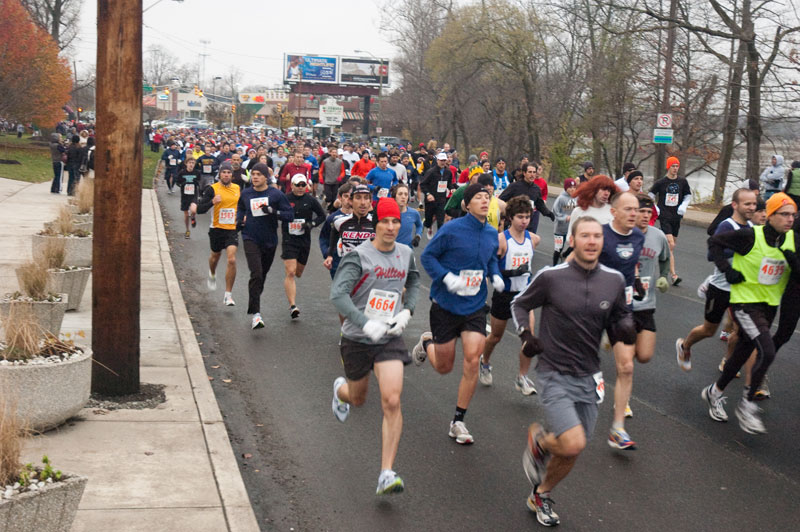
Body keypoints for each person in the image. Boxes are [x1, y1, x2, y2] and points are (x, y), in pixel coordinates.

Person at [512, 216, 635, 527]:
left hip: (589, 375)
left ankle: (541, 492)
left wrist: (623, 329)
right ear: (572, 241)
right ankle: (541, 442)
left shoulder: (614, 280)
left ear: (602, 242)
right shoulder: (552, 277)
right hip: (553, 371)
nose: (592, 241)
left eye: (597, 236)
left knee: (571, 451)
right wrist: (526, 335)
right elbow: (520, 304)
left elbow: (619, 315)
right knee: (574, 441)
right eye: (585, 236)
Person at [330, 198, 421, 495]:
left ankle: (386, 472)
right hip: (357, 337)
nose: (392, 227)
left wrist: (407, 311)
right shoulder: (359, 256)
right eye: (385, 222)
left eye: (396, 222)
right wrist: (363, 321)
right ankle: (340, 391)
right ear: (375, 224)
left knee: (392, 400)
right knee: (357, 398)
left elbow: (415, 281)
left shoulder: (406, 254)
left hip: (388, 337)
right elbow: (338, 295)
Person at [702, 192, 799, 434]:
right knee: (766, 350)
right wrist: (726, 269)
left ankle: (714, 392)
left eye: (793, 215)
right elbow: (714, 243)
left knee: (742, 351)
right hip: (745, 303)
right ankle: (747, 405)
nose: (790, 219)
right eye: (784, 214)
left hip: (769, 305)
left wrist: (793, 261)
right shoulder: (749, 236)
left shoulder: (792, 240)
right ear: (770, 215)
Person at [414, 184, 503, 444]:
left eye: (487, 197)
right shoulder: (451, 230)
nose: (485, 201)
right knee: (444, 366)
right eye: (478, 197)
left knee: (473, 358)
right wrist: (447, 278)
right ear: (466, 204)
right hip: (446, 304)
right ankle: (427, 342)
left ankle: (458, 421)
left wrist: (495, 274)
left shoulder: (490, 232)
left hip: (474, 306)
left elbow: (490, 259)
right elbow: (428, 257)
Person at [676, 188, 756, 372]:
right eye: (747, 204)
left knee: (741, 330)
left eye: (754, 204)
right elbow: (711, 254)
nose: (752, 207)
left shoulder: (752, 228)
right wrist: (736, 251)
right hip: (721, 286)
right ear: (735, 205)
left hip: (742, 289)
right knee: (709, 330)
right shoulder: (727, 226)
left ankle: (727, 361)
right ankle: (685, 346)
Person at [597, 192, 645, 449]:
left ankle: (617, 429)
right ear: (613, 211)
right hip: (593, 307)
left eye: (635, 209)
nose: (633, 214)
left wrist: (635, 283)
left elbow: (631, 266)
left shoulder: (638, 236)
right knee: (579, 364)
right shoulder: (600, 234)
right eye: (627, 209)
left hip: (622, 308)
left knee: (626, 367)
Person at [479, 196, 541, 394]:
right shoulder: (501, 240)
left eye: (527, 217)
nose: (524, 221)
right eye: (520, 217)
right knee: (495, 336)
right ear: (510, 218)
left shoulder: (534, 239)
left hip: (524, 297)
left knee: (528, 339)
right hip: (504, 295)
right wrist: (509, 272)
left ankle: (522, 377)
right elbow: (490, 268)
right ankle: (485, 361)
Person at [627, 195, 670, 417]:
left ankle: (623, 356)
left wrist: (664, 277)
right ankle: (623, 401)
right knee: (627, 363)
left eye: (648, 212)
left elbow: (664, 259)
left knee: (643, 355)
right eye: (641, 211)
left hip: (647, 303)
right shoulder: (621, 235)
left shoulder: (658, 236)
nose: (645, 216)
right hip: (624, 305)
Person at [237, 163, 294, 329]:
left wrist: (273, 212)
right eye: (253, 174)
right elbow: (241, 208)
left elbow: (289, 216)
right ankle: (256, 314)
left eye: (258, 174)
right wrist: (240, 220)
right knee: (256, 273)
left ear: (266, 177)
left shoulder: (276, 194)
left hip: (269, 240)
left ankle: (254, 302)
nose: (255, 177)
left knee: (261, 276)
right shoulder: (246, 193)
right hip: (250, 237)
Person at [192, 161, 241, 306]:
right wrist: (212, 202)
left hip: (232, 229)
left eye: (229, 173)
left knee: (231, 259)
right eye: (224, 172)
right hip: (216, 229)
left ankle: (228, 295)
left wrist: (243, 216)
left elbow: (242, 205)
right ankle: (212, 273)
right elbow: (200, 209)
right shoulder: (212, 189)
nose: (226, 175)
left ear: (232, 175)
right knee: (215, 257)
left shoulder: (237, 188)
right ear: (219, 174)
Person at [282, 174, 327, 319]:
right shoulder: (285, 199)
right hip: (289, 240)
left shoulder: (311, 200)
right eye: (298, 185)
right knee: (290, 272)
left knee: (298, 273)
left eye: (303, 185)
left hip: (304, 240)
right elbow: (276, 213)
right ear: (292, 185)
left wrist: (311, 224)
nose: (300, 188)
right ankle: (292, 306)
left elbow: (322, 216)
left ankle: (292, 284)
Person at [649, 156, 691, 285]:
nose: (675, 168)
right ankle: (673, 275)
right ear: (668, 167)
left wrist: (683, 206)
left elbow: (688, 195)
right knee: (671, 245)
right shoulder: (661, 182)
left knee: (670, 248)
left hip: (676, 216)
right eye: (673, 166)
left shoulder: (682, 181)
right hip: (665, 215)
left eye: (677, 166)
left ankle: (661, 260)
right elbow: (650, 195)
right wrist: (656, 208)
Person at [324, 184, 375, 272]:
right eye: (358, 198)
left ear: (370, 201)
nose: (362, 202)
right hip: (347, 270)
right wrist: (329, 255)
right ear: (351, 201)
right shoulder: (339, 221)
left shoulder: (377, 223)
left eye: (366, 198)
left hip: (370, 271)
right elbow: (334, 233)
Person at [498, 163, 555, 233]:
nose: (532, 175)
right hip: (512, 224)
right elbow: (500, 199)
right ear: (524, 173)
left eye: (534, 172)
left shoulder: (536, 189)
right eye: (530, 172)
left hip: (528, 224)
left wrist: (549, 213)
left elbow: (540, 205)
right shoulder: (515, 186)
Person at [319, 183, 353, 280]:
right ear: (340, 197)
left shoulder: (360, 218)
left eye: (350, 197)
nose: (347, 200)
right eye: (345, 196)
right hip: (337, 261)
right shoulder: (332, 218)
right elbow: (323, 238)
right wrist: (327, 253)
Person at [419, 152, 454, 238]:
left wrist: (452, 188)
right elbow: (423, 184)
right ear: (437, 160)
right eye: (441, 160)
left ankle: (439, 238)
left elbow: (449, 184)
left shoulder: (448, 172)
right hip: (431, 199)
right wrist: (428, 194)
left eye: (444, 160)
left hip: (441, 199)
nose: (443, 162)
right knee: (428, 220)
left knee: (440, 221)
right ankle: (429, 226)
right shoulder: (431, 172)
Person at [551, 179, 577, 265]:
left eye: (574, 187)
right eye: (570, 187)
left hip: (571, 228)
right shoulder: (561, 198)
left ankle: (565, 255)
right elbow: (554, 212)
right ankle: (554, 266)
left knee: (574, 245)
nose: (572, 189)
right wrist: (565, 218)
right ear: (566, 188)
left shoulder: (577, 198)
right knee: (558, 249)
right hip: (560, 229)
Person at [175, 156, 200, 239]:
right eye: (190, 163)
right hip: (185, 195)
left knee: (193, 210)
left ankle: (193, 217)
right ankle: (187, 230)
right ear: (186, 164)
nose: (191, 165)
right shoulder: (182, 173)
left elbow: (199, 182)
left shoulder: (197, 173)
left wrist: (197, 184)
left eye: (193, 163)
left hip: (193, 195)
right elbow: (177, 182)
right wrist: (182, 184)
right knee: (186, 215)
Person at [392, 183, 422, 247]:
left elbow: (419, 225)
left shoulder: (414, 213)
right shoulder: (388, 213)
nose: (403, 197)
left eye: (406, 194)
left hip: (407, 250)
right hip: (390, 250)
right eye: (400, 194)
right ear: (394, 197)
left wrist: (418, 236)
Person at [320, 143, 345, 210]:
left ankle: (331, 210)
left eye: (335, 152)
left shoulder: (340, 162)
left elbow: (343, 171)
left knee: (334, 198)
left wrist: (340, 177)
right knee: (329, 197)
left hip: (336, 182)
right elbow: (321, 171)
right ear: (330, 153)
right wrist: (321, 178)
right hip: (327, 182)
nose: (334, 154)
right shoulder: (325, 161)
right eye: (333, 152)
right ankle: (324, 203)